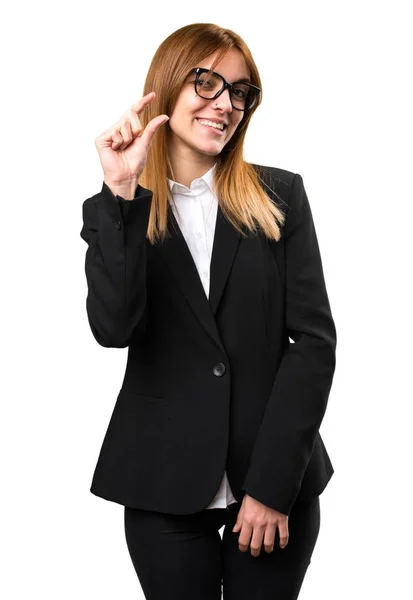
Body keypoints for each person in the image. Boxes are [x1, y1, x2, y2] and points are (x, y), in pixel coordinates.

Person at [80, 22, 337, 600]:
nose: (226, 104)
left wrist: (273, 486)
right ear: (169, 84)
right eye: (208, 83)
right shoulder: (117, 210)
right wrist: (121, 193)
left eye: (240, 92)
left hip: (273, 482)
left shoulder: (280, 197)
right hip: (163, 478)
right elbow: (113, 327)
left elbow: (313, 344)